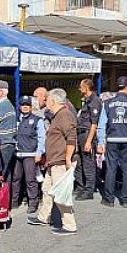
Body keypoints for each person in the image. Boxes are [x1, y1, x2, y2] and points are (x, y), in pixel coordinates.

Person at [31, 89, 78, 235]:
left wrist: (68, 159)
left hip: (61, 161)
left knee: (61, 194)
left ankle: (69, 225)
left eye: (47, 99)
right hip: (54, 161)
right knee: (47, 190)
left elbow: (71, 138)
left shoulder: (64, 115)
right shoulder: (57, 116)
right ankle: (44, 217)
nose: (46, 102)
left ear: (53, 101)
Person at [96, 79, 127, 208]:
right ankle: (125, 199)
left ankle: (109, 199)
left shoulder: (107, 103)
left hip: (112, 139)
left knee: (111, 168)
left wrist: (101, 141)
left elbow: (101, 125)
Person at [11, 96, 46, 218]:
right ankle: (15, 201)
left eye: (27, 105)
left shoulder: (37, 120)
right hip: (17, 154)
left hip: (30, 154)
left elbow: (42, 137)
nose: (25, 107)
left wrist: (39, 152)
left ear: (31, 107)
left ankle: (33, 203)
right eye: (23, 105)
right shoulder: (16, 120)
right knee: (16, 179)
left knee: (30, 180)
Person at [74, 78, 103, 201]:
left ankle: (89, 190)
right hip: (80, 133)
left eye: (81, 87)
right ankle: (81, 187)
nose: (80, 89)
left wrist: (88, 141)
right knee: (79, 163)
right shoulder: (85, 101)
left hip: (87, 134)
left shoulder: (94, 101)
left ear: (86, 87)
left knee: (88, 163)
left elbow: (94, 124)